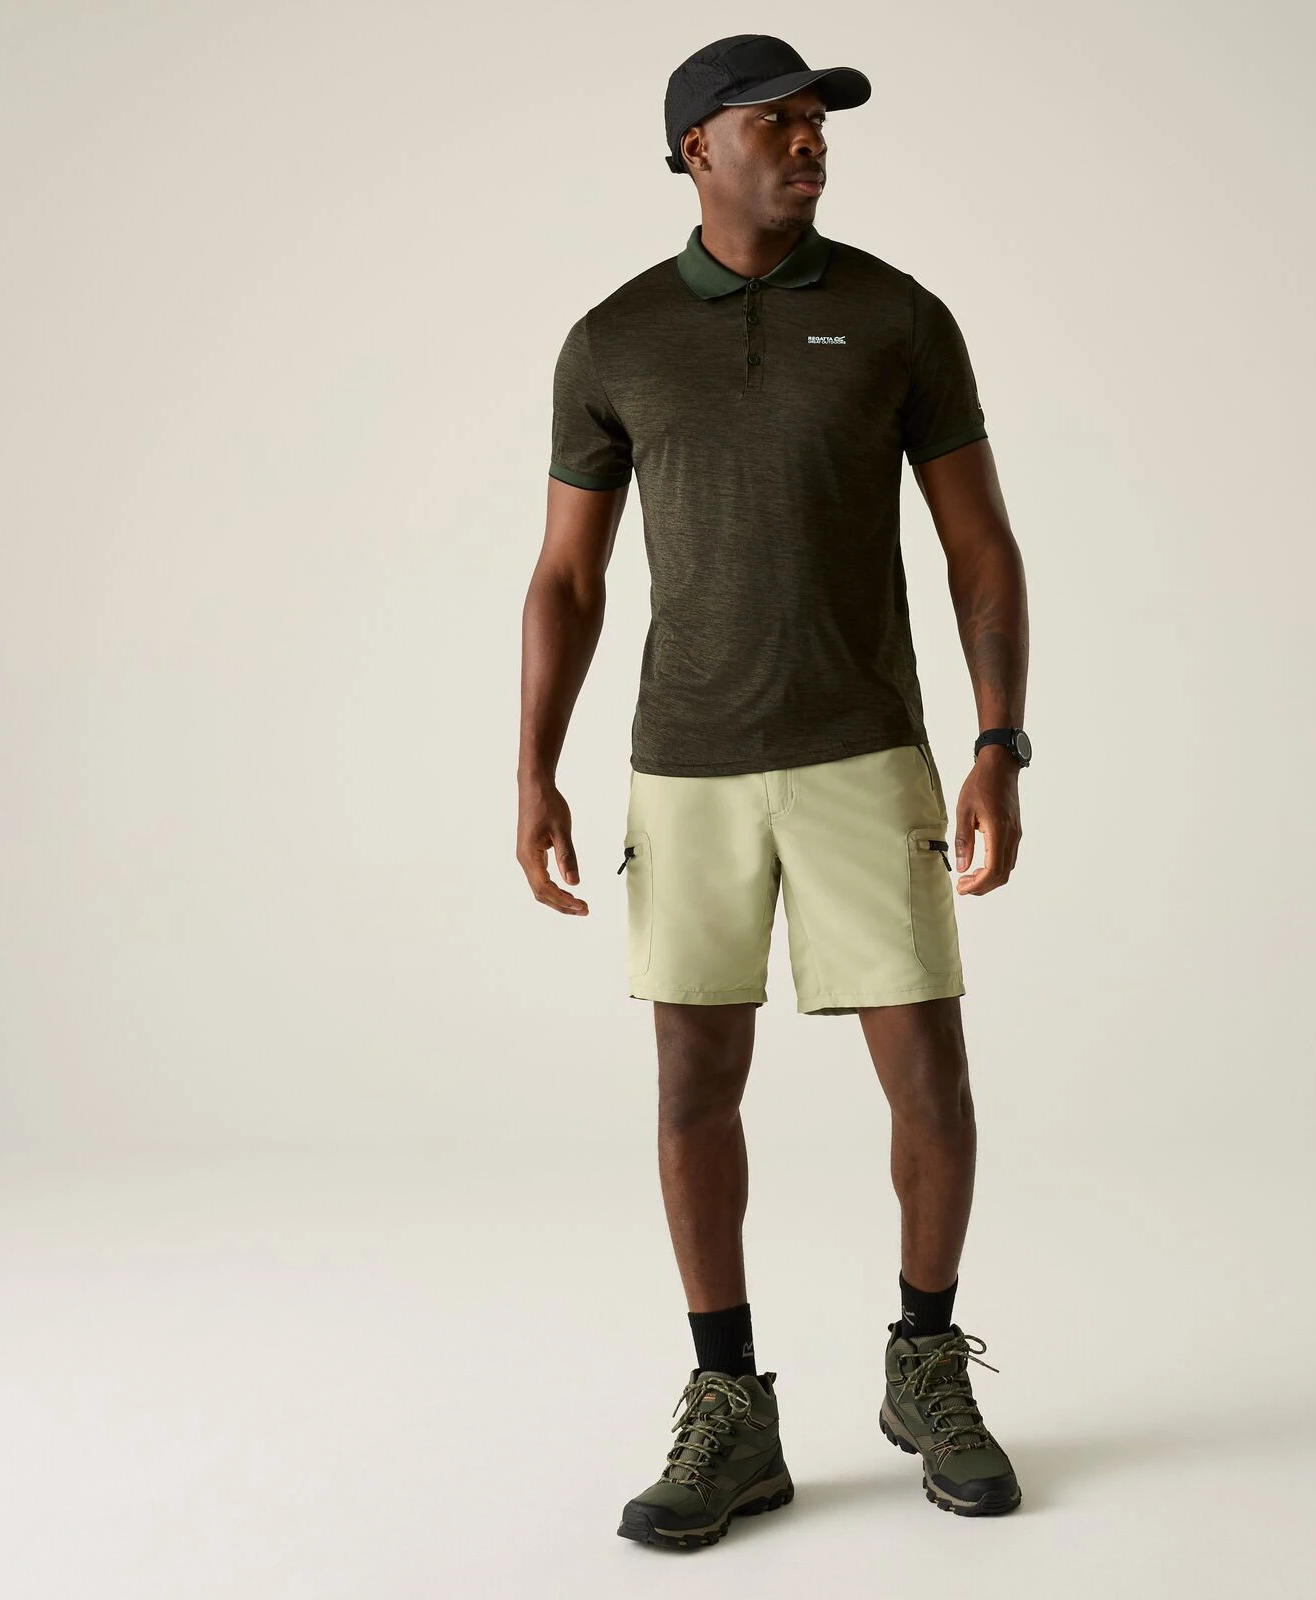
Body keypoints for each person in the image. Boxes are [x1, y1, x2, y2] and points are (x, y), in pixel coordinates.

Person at [516, 33, 1033, 1549]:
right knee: (693, 1085)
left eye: (818, 123)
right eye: (776, 123)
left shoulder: (894, 316)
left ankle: (925, 1363)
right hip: (685, 764)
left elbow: (980, 544)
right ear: (696, 149)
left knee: (928, 1076)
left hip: (866, 749)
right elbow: (565, 575)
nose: (809, 144)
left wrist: (999, 740)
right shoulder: (613, 340)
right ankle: (729, 1404)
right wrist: (533, 768)